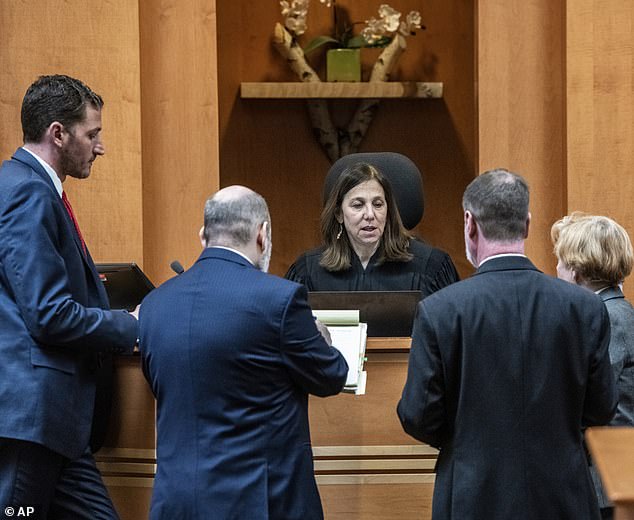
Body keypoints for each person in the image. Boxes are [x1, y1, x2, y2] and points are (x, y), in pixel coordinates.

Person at [397, 169, 617, 520]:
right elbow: (602, 407)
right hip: (563, 496)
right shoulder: (584, 308)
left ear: (470, 224)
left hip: (472, 496)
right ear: (527, 224)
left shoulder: (439, 311)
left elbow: (418, 415)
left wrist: (466, 440)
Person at [139, 185, 348, 519]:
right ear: (262, 234)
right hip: (259, 503)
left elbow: (158, 384)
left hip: (174, 502)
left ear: (203, 235)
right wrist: (322, 336)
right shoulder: (280, 300)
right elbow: (331, 376)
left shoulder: (154, 305)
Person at [0, 75, 139, 518]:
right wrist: (129, 324)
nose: (100, 147)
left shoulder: (28, 187)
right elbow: (48, 314)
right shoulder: (27, 192)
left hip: (55, 426)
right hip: (31, 420)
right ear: (58, 134)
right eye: (92, 134)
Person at [552, 213, 634, 519]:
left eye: (560, 261)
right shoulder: (615, 312)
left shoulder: (609, 318)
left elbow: (591, 397)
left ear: (575, 270)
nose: (556, 269)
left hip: (607, 477)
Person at [286, 158, 459, 294]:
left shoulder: (432, 267)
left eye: (378, 204)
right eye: (358, 205)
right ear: (339, 214)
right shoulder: (308, 272)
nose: (370, 214)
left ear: (388, 210)